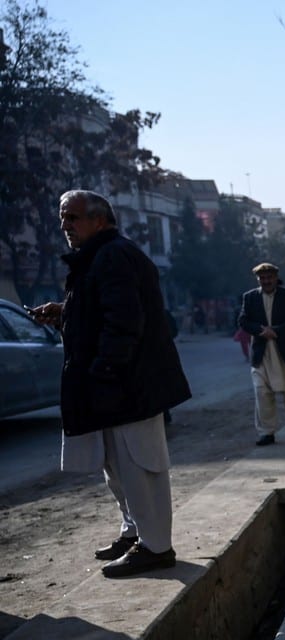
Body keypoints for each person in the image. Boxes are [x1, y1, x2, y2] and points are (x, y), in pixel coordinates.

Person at [30, 190, 191, 578]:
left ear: (100, 220)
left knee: (140, 464)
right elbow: (100, 308)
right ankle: (135, 532)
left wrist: (105, 371)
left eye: (74, 217)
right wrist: (66, 311)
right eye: (63, 218)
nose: (66, 226)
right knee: (116, 467)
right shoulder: (99, 256)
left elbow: (123, 321)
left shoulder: (114, 254)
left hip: (129, 385)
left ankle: (155, 546)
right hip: (114, 385)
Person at [238, 263, 285, 445]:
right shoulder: (250, 297)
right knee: (262, 393)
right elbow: (243, 320)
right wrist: (261, 331)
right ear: (258, 280)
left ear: (276, 278)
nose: (266, 281)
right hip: (262, 352)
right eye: (262, 278)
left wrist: (276, 331)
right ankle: (267, 432)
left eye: (269, 277)